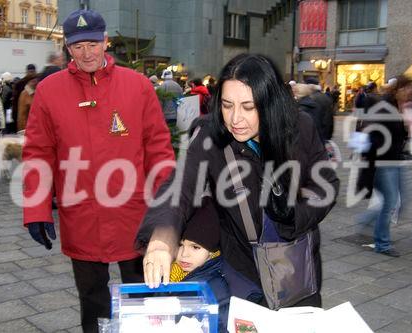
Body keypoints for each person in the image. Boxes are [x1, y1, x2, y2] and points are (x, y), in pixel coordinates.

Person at [137, 54, 340, 309]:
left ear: (269, 103)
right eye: (227, 105)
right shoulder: (211, 136)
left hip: (295, 268)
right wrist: (161, 239)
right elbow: (181, 186)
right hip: (243, 270)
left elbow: (326, 185)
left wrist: (294, 214)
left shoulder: (300, 127)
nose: (235, 119)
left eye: (248, 107)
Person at [22, 9, 174, 333]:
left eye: (93, 44)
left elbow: (159, 149)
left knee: (143, 294)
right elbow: (38, 152)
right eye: (78, 46)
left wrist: (168, 209)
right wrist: (36, 209)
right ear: (67, 48)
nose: (86, 53)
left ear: (106, 42)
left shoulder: (137, 86)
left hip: (134, 214)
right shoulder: (50, 91)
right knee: (92, 299)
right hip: (82, 215)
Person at [170, 196, 263, 332]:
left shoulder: (214, 288)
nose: (184, 254)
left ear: (211, 251)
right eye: (180, 245)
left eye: (195, 247)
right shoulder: (170, 273)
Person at [355, 77, 409, 257]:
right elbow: (367, 132)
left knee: (400, 201)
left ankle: (366, 220)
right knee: (391, 202)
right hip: (382, 162)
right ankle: (382, 243)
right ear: (399, 89)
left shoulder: (396, 106)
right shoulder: (385, 107)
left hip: (394, 159)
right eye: (408, 89)